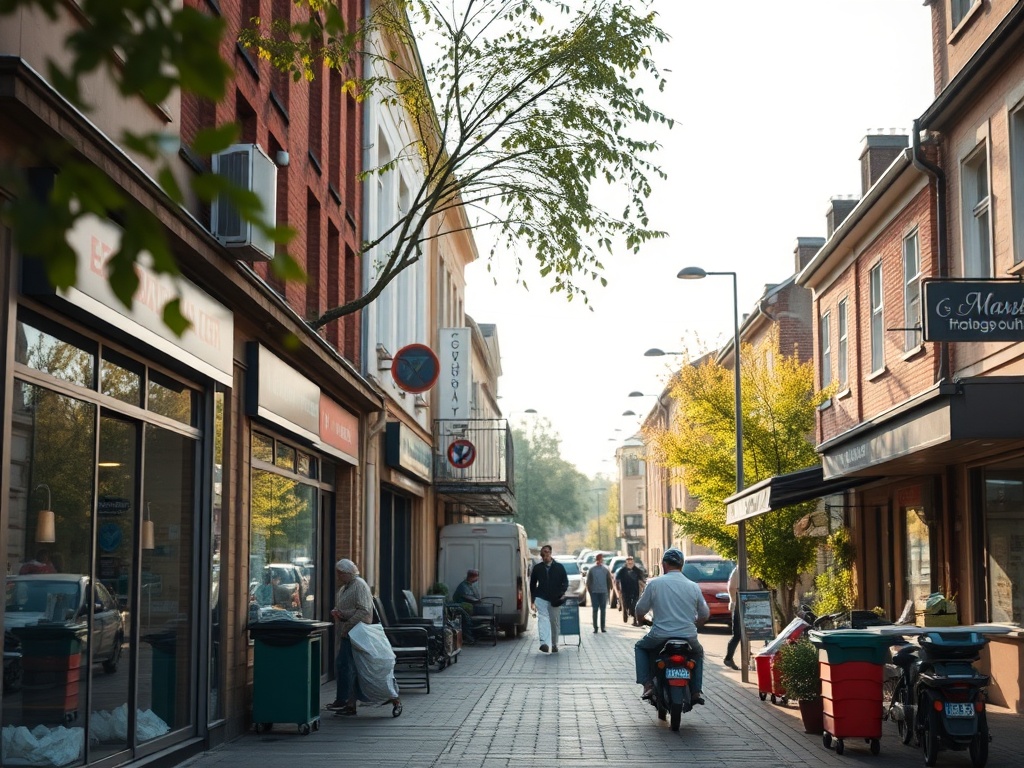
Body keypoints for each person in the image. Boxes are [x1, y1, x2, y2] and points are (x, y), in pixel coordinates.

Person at [633, 548, 710, 704]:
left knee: (640, 647)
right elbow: (704, 613)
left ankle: (647, 684)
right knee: (698, 653)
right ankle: (695, 691)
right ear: (682, 565)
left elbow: (640, 609)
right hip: (688, 636)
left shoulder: (654, 584)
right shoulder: (693, 586)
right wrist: (696, 625)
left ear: (664, 564)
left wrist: (641, 620)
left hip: (659, 635)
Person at [328, 559, 401, 717]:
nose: (338, 576)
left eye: (340, 573)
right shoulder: (346, 587)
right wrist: (340, 614)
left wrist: (346, 627)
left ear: (347, 573)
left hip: (356, 633)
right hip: (350, 633)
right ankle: (349, 704)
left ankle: (344, 699)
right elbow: (353, 609)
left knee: (348, 666)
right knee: (353, 668)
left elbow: (364, 611)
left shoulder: (359, 585)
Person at [529, 545, 568, 653]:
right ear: (541, 556)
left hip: (555, 599)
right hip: (541, 597)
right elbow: (532, 585)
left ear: (550, 553)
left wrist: (560, 593)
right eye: (543, 554)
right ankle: (544, 643)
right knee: (543, 619)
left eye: (547, 553)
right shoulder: (538, 568)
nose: (545, 555)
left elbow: (565, 582)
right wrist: (533, 600)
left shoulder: (559, 567)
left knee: (554, 622)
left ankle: (554, 644)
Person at [451, 569, 482, 645]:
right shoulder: (463, 586)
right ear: (471, 577)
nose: (477, 579)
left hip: (468, 607)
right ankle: (469, 638)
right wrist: (475, 600)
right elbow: (466, 596)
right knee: (467, 621)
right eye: (476, 577)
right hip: (461, 607)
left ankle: (474, 636)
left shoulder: (470, 585)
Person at [585, 553, 613, 633]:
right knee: (595, 610)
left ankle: (602, 627)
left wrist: (609, 589)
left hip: (603, 592)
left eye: (600, 559)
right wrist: (590, 591)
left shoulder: (605, 569)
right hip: (594, 592)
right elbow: (588, 582)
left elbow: (609, 580)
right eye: (598, 559)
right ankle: (595, 627)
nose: (599, 561)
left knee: (603, 610)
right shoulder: (592, 569)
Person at [615, 555, 646, 625]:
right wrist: (618, 589)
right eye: (628, 561)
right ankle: (625, 614)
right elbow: (617, 580)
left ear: (633, 562)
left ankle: (635, 620)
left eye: (631, 561)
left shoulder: (637, 570)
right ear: (626, 562)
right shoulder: (622, 571)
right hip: (625, 591)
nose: (630, 562)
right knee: (626, 604)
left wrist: (643, 587)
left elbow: (642, 580)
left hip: (635, 591)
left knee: (635, 606)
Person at [723, 565, 741, 670]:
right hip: (739, 605)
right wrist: (734, 600)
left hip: (751, 605)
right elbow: (731, 588)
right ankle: (728, 658)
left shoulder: (752, 569)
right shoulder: (738, 570)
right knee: (737, 634)